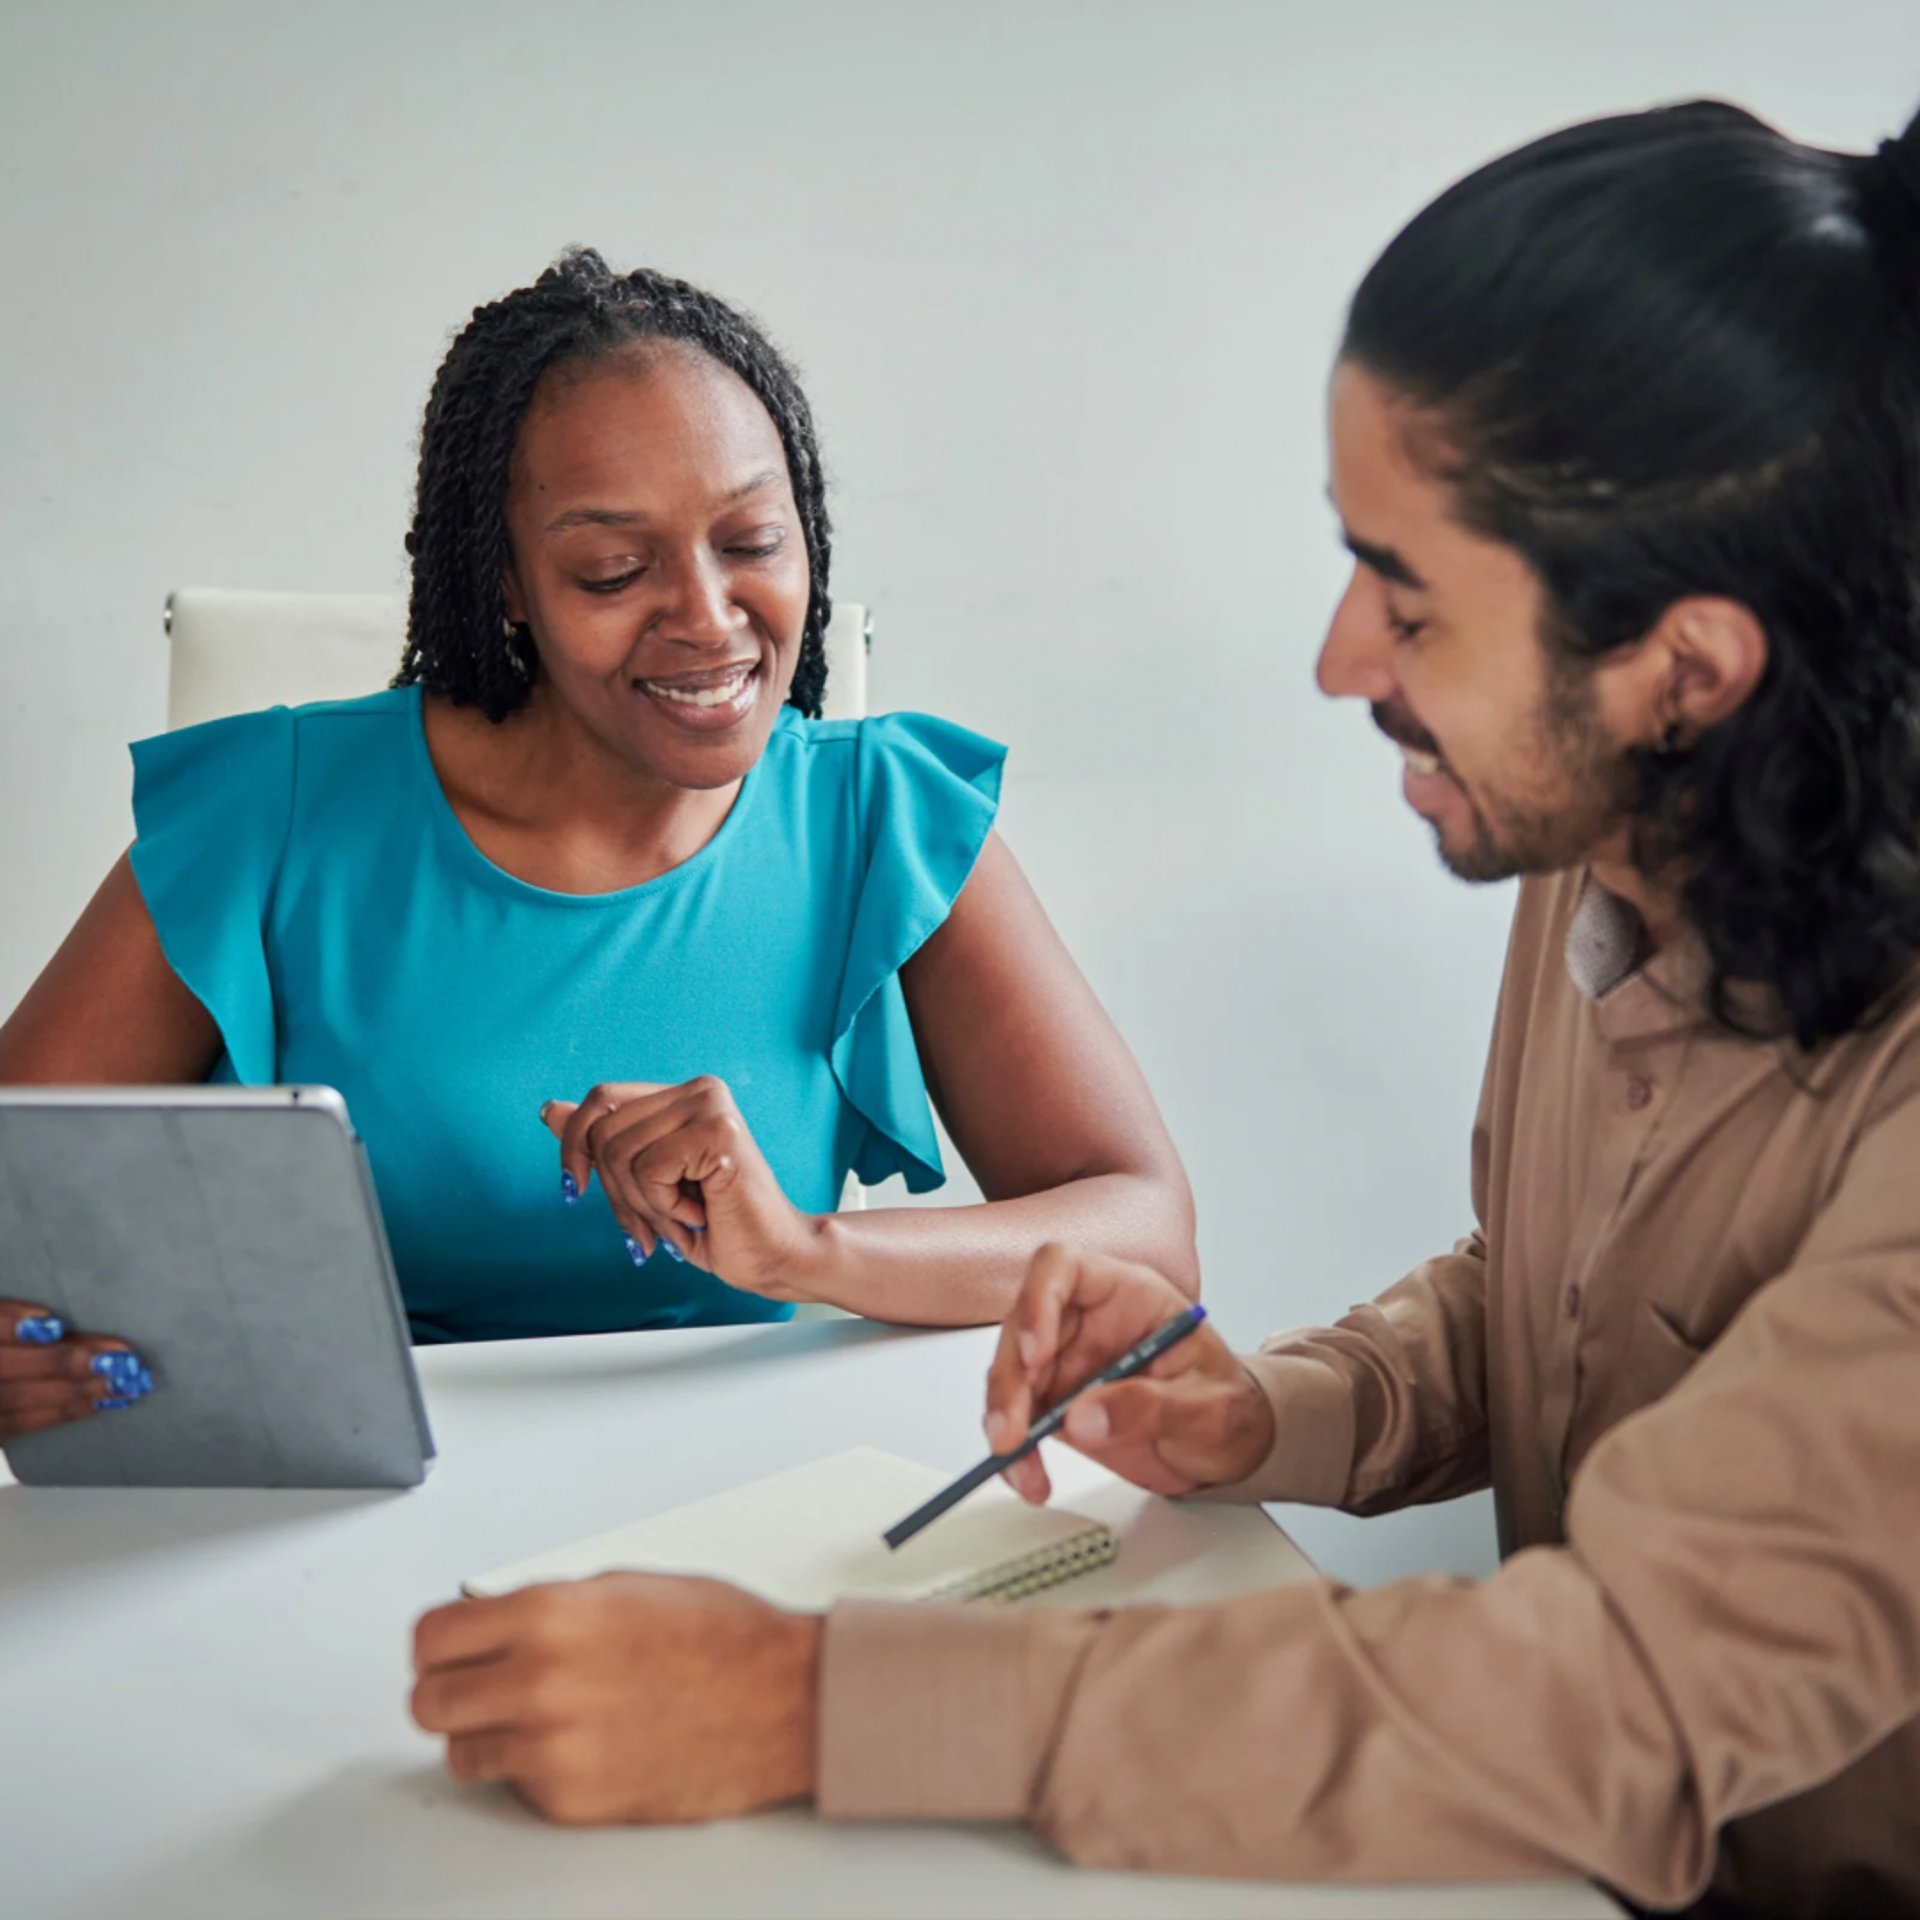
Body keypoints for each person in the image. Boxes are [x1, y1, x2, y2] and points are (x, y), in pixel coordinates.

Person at [410, 101, 1920, 1920]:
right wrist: (1271, 1411)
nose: (1338, 660)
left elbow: (1617, 1691)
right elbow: (1582, 1293)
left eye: (1415, 606)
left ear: (1685, 670)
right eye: (1355, 559)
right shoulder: (1613, 838)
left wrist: (800, 1701)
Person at [0, 251, 1197, 1442]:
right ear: (507, 583)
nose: (708, 618)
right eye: (613, 569)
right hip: (341, 1498)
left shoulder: (883, 816)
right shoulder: (274, 811)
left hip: (740, 1505)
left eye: (753, 542)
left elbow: (1149, 1237)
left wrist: (807, 1252)